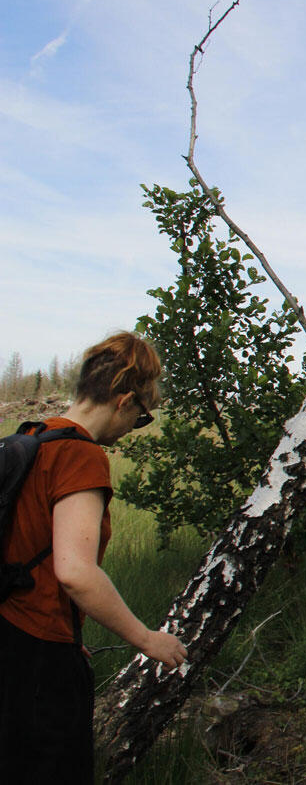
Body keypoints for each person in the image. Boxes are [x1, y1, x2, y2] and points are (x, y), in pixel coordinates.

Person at [0, 332, 187, 783]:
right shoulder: (79, 455)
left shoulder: (31, 437)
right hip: (38, 662)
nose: (134, 427)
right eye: (142, 417)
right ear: (124, 401)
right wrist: (147, 639)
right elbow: (75, 572)